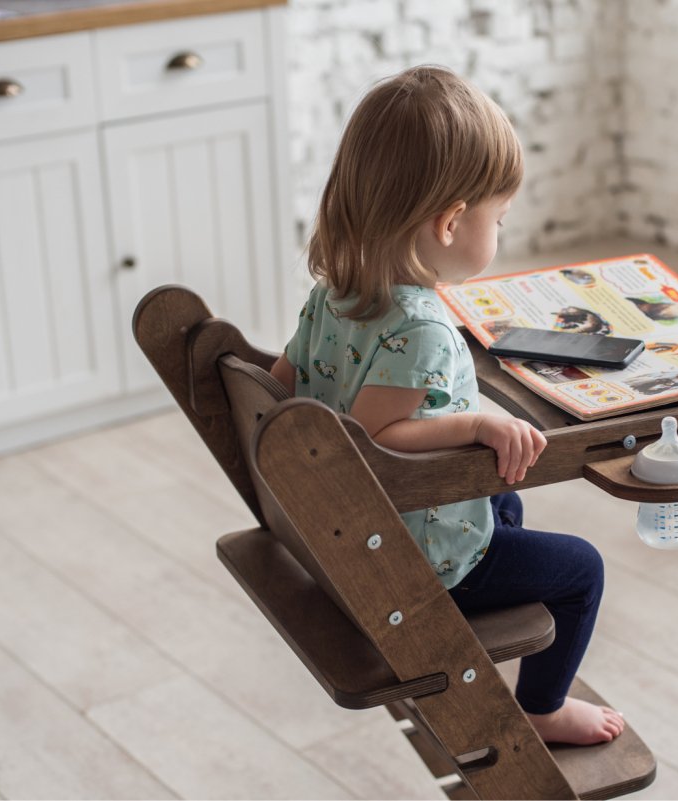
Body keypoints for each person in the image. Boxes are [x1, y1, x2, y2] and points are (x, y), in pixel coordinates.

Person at [269, 65, 623, 746]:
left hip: (348, 533)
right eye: (500, 218)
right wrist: (479, 422)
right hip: (412, 558)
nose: (501, 230)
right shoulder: (422, 327)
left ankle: (493, 582)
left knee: (506, 506)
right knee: (581, 569)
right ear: (452, 220)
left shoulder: (337, 292)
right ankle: (543, 706)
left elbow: (286, 379)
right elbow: (374, 438)